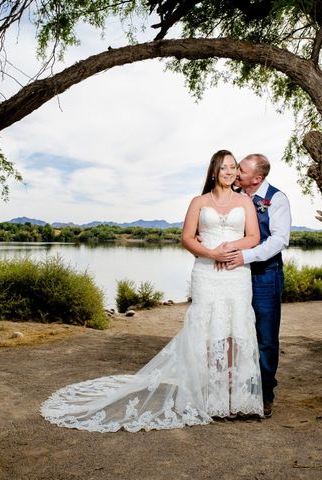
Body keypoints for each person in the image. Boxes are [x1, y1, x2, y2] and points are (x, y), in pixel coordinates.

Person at [40, 150, 264, 432]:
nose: (230, 172)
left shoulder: (245, 202)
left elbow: (253, 237)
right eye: (224, 167)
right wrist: (211, 253)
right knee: (206, 332)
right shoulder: (199, 201)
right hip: (207, 272)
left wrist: (230, 250)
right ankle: (209, 399)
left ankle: (237, 399)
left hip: (235, 273)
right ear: (214, 171)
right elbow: (186, 238)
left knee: (236, 332)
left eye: (233, 167)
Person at [219, 153, 291, 418]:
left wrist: (245, 257)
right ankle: (236, 392)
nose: (236, 172)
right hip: (234, 276)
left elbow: (279, 240)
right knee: (234, 332)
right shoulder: (234, 194)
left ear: (257, 178)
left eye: (241, 169)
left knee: (266, 337)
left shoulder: (277, 199)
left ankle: (265, 394)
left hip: (265, 276)